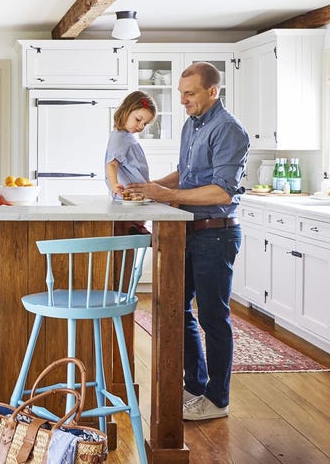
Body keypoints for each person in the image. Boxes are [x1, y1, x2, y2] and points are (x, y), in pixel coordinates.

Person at [126, 62, 249, 421]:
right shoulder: (191, 125)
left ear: (213, 91)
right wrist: (147, 191)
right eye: (181, 93)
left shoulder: (228, 130)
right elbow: (186, 175)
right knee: (178, 310)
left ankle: (218, 399)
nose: (183, 100)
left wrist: (162, 194)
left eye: (190, 93)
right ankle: (195, 385)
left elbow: (221, 191)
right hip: (189, 232)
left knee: (214, 318)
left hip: (216, 232)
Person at [105, 90, 156, 235]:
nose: (141, 126)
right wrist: (114, 184)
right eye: (138, 119)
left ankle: (139, 227)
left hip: (138, 196)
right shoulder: (119, 137)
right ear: (126, 111)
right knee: (126, 235)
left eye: (145, 124)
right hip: (129, 197)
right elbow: (112, 163)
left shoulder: (127, 136)